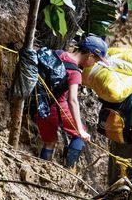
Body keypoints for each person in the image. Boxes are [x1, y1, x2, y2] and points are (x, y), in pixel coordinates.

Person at [33, 36, 104, 168]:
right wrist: (79, 129)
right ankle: (69, 170)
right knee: (80, 134)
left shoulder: (59, 53)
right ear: (90, 56)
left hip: (39, 104)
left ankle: (41, 169)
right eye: (96, 61)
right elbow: (72, 100)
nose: (94, 64)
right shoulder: (75, 72)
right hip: (56, 108)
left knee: (50, 141)